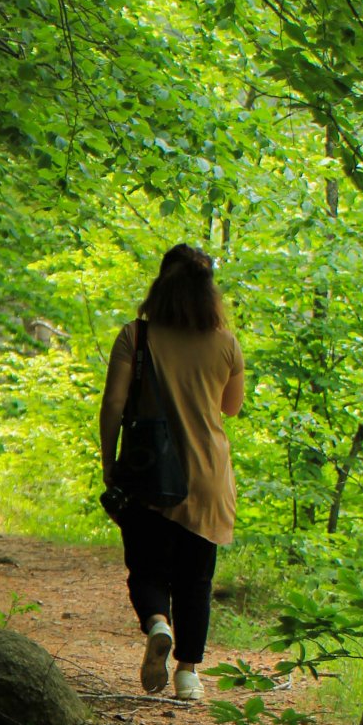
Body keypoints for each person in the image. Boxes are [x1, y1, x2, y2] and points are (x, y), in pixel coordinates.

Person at [99, 244, 245, 700]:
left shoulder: (135, 337)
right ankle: (188, 675)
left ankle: (158, 623)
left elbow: (113, 406)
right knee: (196, 580)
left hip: (148, 475)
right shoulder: (227, 344)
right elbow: (231, 407)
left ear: (161, 284)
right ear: (208, 294)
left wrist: (110, 463)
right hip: (207, 478)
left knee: (145, 568)